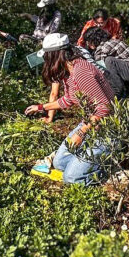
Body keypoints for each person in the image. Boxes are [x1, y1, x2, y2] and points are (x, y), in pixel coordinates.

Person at [25, 33, 114, 185]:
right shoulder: (69, 70)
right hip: (91, 124)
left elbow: (104, 108)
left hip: (108, 129)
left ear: (54, 55)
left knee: (72, 178)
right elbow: (68, 99)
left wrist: (80, 133)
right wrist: (41, 107)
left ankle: (109, 168)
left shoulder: (81, 72)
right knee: (60, 163)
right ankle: (86, 161)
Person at [83, 26, 129, 97]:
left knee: (109, 61)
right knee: (111, 66)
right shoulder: (111, 41)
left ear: (93, 40)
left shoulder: (102, 48)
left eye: (88, 41)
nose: (87, 45)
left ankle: (117, 92)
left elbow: (101, 70)